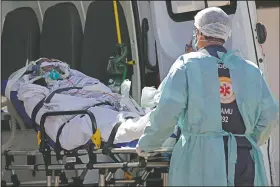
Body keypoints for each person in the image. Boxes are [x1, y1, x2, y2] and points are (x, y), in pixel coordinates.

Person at [136, 7, 279, 186]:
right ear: (225, 34)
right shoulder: (250, 70)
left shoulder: (186, 65)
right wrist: (247, 138)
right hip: (244, 160)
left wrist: (147, 144)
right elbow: (271, 112)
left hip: (201, 161)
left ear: (199, 33)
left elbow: (167, 112)